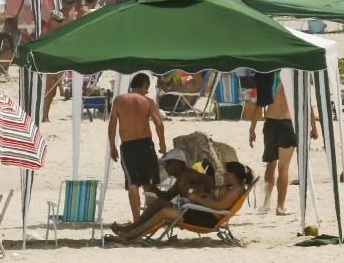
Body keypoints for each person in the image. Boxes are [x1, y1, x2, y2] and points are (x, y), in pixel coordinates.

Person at [107, 161, 254, 245]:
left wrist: (197, 199)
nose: (223, 176)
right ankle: (132, 230)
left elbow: (220, 206)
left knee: (164, 213)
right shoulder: (231, 188)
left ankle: (131, 236)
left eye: (225, 174)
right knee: (161, 205)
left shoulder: (237, 190)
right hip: (202, 213)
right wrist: (204, 197)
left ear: (232, 175)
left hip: (206, 219)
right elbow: (216, 201)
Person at [249, 72, 318, 216]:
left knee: (270, 164)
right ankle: (280, 207)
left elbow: (259, 105)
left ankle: (266, 204)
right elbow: (307, 103)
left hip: (271, 123)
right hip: (287, 123)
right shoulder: (295, 78)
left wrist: (252, 129)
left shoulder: (268, 76)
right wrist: (314, 127)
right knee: (284, 167)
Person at [110, 149, 214, 235]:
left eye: (168, 163)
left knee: (159, 202)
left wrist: (207, 196)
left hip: (195, 213)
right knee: (159, 202)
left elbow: (208, 180)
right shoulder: (180, 179)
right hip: (185, 210)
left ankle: (132, 228)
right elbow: (168, 196)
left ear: (177, 163)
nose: (165, 166)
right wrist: (156, 190)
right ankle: (134, 228)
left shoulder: (189, 174)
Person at [108, 72, 167, 221]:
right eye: (147, 89)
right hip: (146, 144)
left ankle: (137, 220)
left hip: (128, 145)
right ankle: (147, 219)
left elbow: (113, 123)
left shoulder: (119, 100)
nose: (147, 92)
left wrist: (112, 146)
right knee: (150, 183)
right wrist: (162, 143)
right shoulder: (148, 102)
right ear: (144, 86)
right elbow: (158, 123)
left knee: (132, 183)